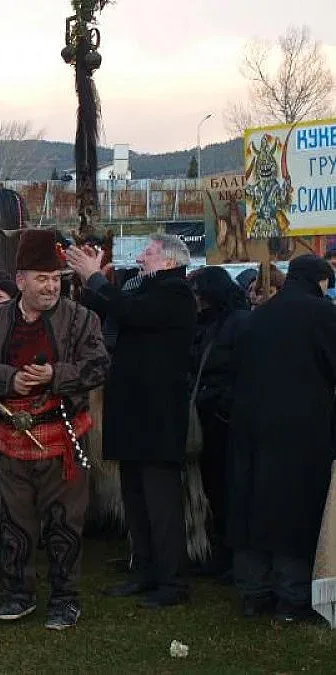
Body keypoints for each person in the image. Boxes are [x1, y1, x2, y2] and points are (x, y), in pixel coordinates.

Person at [0, 230, 108, 629]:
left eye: (56, 278)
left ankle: (64, 599)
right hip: (10, 438)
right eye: (41, 278)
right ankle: (18, 594)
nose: (50, 286)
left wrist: (55, 375)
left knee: (64, 524)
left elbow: (98, 366)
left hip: (62, 436)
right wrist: (10, 380)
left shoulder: (81, 319)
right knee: (14, 522)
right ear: (20, 279)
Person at [67, 234, 196, 609]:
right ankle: (144, 570)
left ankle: (172, 584)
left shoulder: (175, 294)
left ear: (170, 261)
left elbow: (127, 311)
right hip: (132, 415)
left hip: (156, 418)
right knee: (135, 501)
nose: (140, 257)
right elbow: (104, 307)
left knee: (161, 504)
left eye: (149, 252)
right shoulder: (142, 289)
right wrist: (91, 274)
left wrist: (96, 278)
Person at [228, 254, 336, 623]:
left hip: (249, 425)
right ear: (319, 281)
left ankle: (253, 593)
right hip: (300, 429)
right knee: (294, 510)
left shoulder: (257, 316)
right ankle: (291, 599)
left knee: (251, 507)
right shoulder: (322, 315)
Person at [187, 267, 250, 577]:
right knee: (214, 484)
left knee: (226, 485)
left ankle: (231, 553)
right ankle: (221, 549)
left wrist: (224, 402)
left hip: (223, 416)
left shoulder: (237, 323)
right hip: (208, 411)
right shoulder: (208, 323)